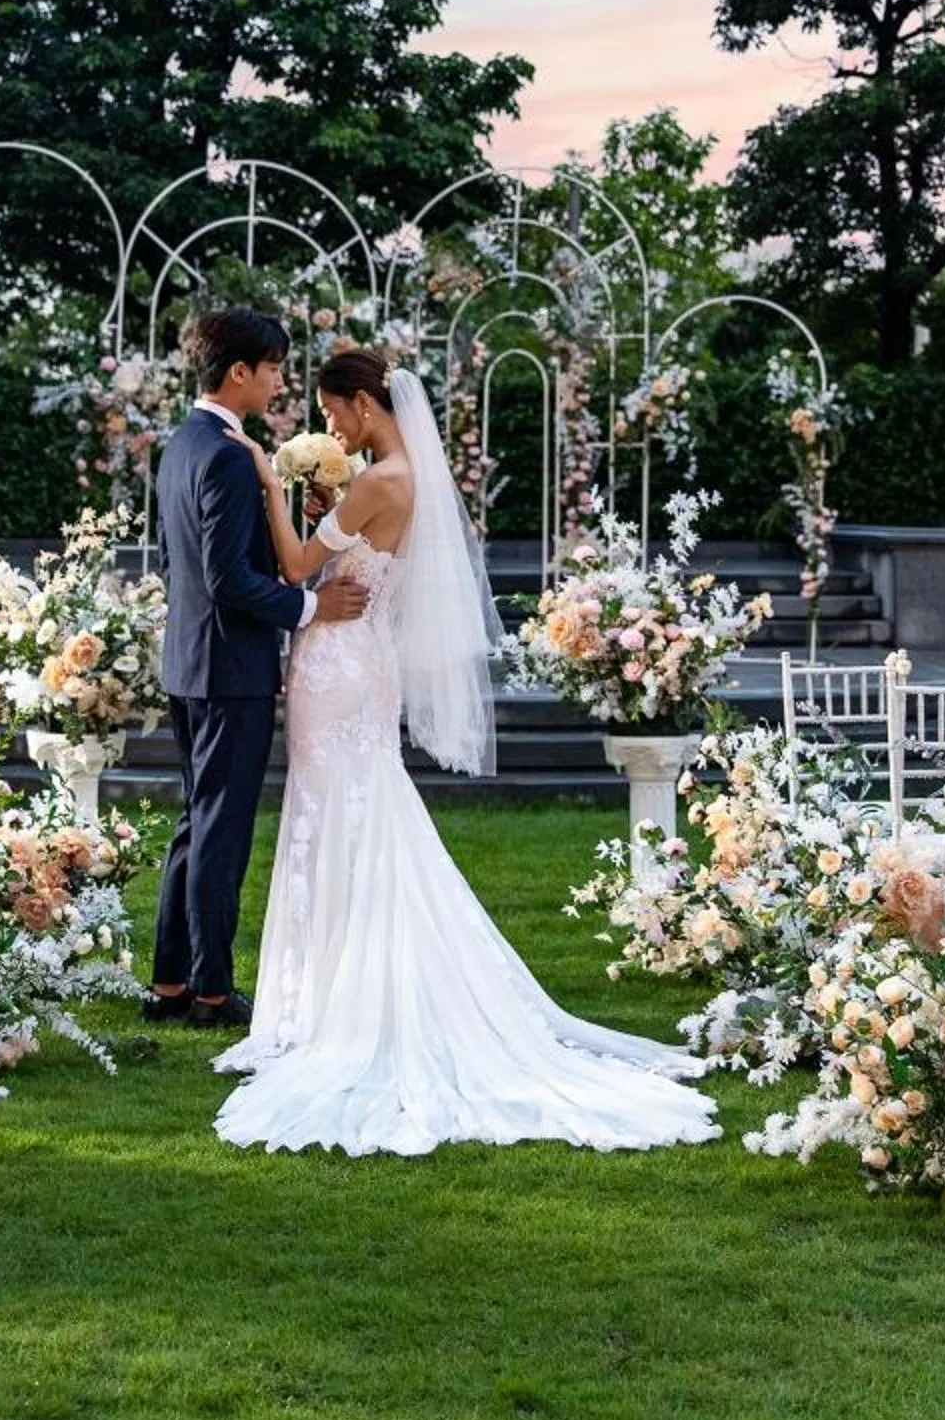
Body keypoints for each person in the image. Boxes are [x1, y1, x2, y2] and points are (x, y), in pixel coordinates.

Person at [210, 348, 718, 1155]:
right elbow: (342, 559)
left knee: (331, 810)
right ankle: (330, 990)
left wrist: (274, 487)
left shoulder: (380, 480)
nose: (331, 425)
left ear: (365, 405)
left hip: (338, 663)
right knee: (352, 808)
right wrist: (321, 501)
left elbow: (301, 565)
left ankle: (328, 1003)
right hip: (361, 660)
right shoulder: (398, 477)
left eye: (336, 410)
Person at [147, 309, 368, 1033]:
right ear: (238, 370)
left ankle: (172, 980)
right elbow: (226, 580)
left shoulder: (185, 444)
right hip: (227, 669)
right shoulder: (228, 455)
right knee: (221, 829)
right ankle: (211, 992)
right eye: (272, 367)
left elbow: (222, 562)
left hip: (191, 663)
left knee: (195, 822)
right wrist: (311, 606)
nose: (280, 380)